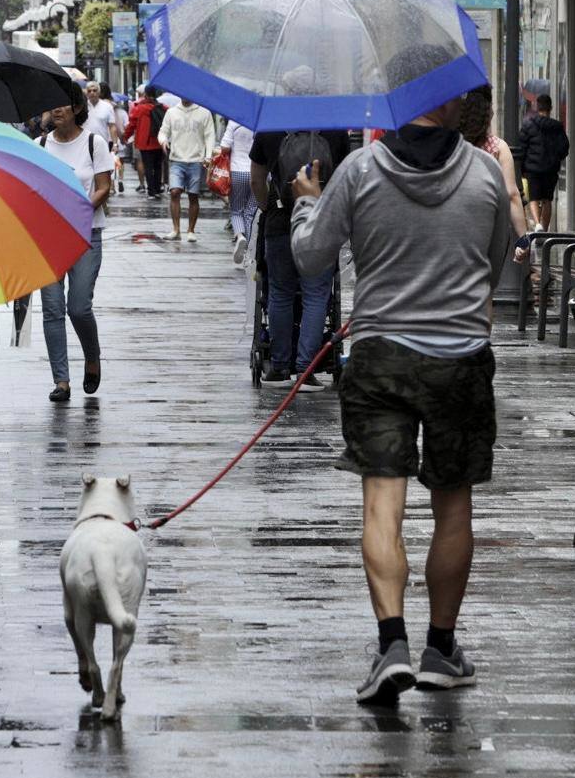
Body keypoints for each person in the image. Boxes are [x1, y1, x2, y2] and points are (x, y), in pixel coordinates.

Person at [289, 76, 512, 705]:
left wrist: (309, 200)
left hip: (381, 357)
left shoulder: (359, 172)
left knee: (381, 507)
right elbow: (495, 262)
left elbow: (309, 258)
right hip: (460, 360)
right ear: (449, 106)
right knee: (453, 507)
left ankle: (392, 644)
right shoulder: (485, 175)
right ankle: (441, 648)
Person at [249, 127, 351, 390]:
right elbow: (343, 181)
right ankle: (306, 369)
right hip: (321, 219)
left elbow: (256, 182)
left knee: (280, 292)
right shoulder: (335, 132)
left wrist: (267, 206)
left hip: (279, 220)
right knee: (316, 295)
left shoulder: (268, 130)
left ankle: (279, 368)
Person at [40, 83, 114, 402]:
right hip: (49, 239)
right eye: (52, 105)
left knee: (79, 307)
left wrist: (79, 209)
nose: (57, 110)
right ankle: (61, 381)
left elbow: (103, 186)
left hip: (86, 234)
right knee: (52, 309)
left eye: (64, 105)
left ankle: (92, 357)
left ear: (77, 109)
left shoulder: (94, 142)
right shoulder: (40, 145)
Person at [458, 86, 529, 264]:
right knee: (485, 285)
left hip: (453, 229)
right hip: (488, 229)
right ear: (487, 113)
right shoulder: (498, 148)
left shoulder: (451, 144)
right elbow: (512, 194)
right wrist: (523, 239)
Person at [157, 97, 215, 242]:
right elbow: (163, 131)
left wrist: (208, 156)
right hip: (177, 159)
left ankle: (191, 230)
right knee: (175, 192)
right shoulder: (172, 112)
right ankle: (176, 229)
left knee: (193, 195)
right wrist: (163, 141)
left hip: (196, 160)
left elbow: (209, 136)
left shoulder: (204, 113)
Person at [517, 94, 570, 231]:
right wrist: (556, 158)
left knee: (534, 198)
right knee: (547, 199)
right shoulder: (557, 127)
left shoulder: (528, 125)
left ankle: (537, 224)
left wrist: (522, 168)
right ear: (550, 108)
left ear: (536, 106)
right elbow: (564, 147)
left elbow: (522, 147)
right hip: (550, 170)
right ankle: (545, 229)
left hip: (532, 169)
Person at [220, 119, 257, 264]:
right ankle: (251, 250)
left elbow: (224, 147)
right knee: (251, 211)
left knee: (236, 211)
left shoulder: (234, 122)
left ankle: (240, 236)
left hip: (238, 171)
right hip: (258, 174)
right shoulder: (259, 122)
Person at [124, 87, 165, 198]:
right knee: (157, 166)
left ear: (145, 94)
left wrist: (125, 137)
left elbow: (131, 125)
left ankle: (151, 191)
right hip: (159, 141)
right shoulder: (162, 107)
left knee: (148, 166)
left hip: (145, 142)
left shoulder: (140, 108)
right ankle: (157, 188)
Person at [83, 81, 118, 150]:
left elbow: (112, 127)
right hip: (84, 144)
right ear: (86, 93)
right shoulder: (82, 107)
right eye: (89, 91)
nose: (92, 93)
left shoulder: (107, 106)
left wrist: (115, 144)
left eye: (94, 90)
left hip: (102, 145)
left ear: (99, 92)